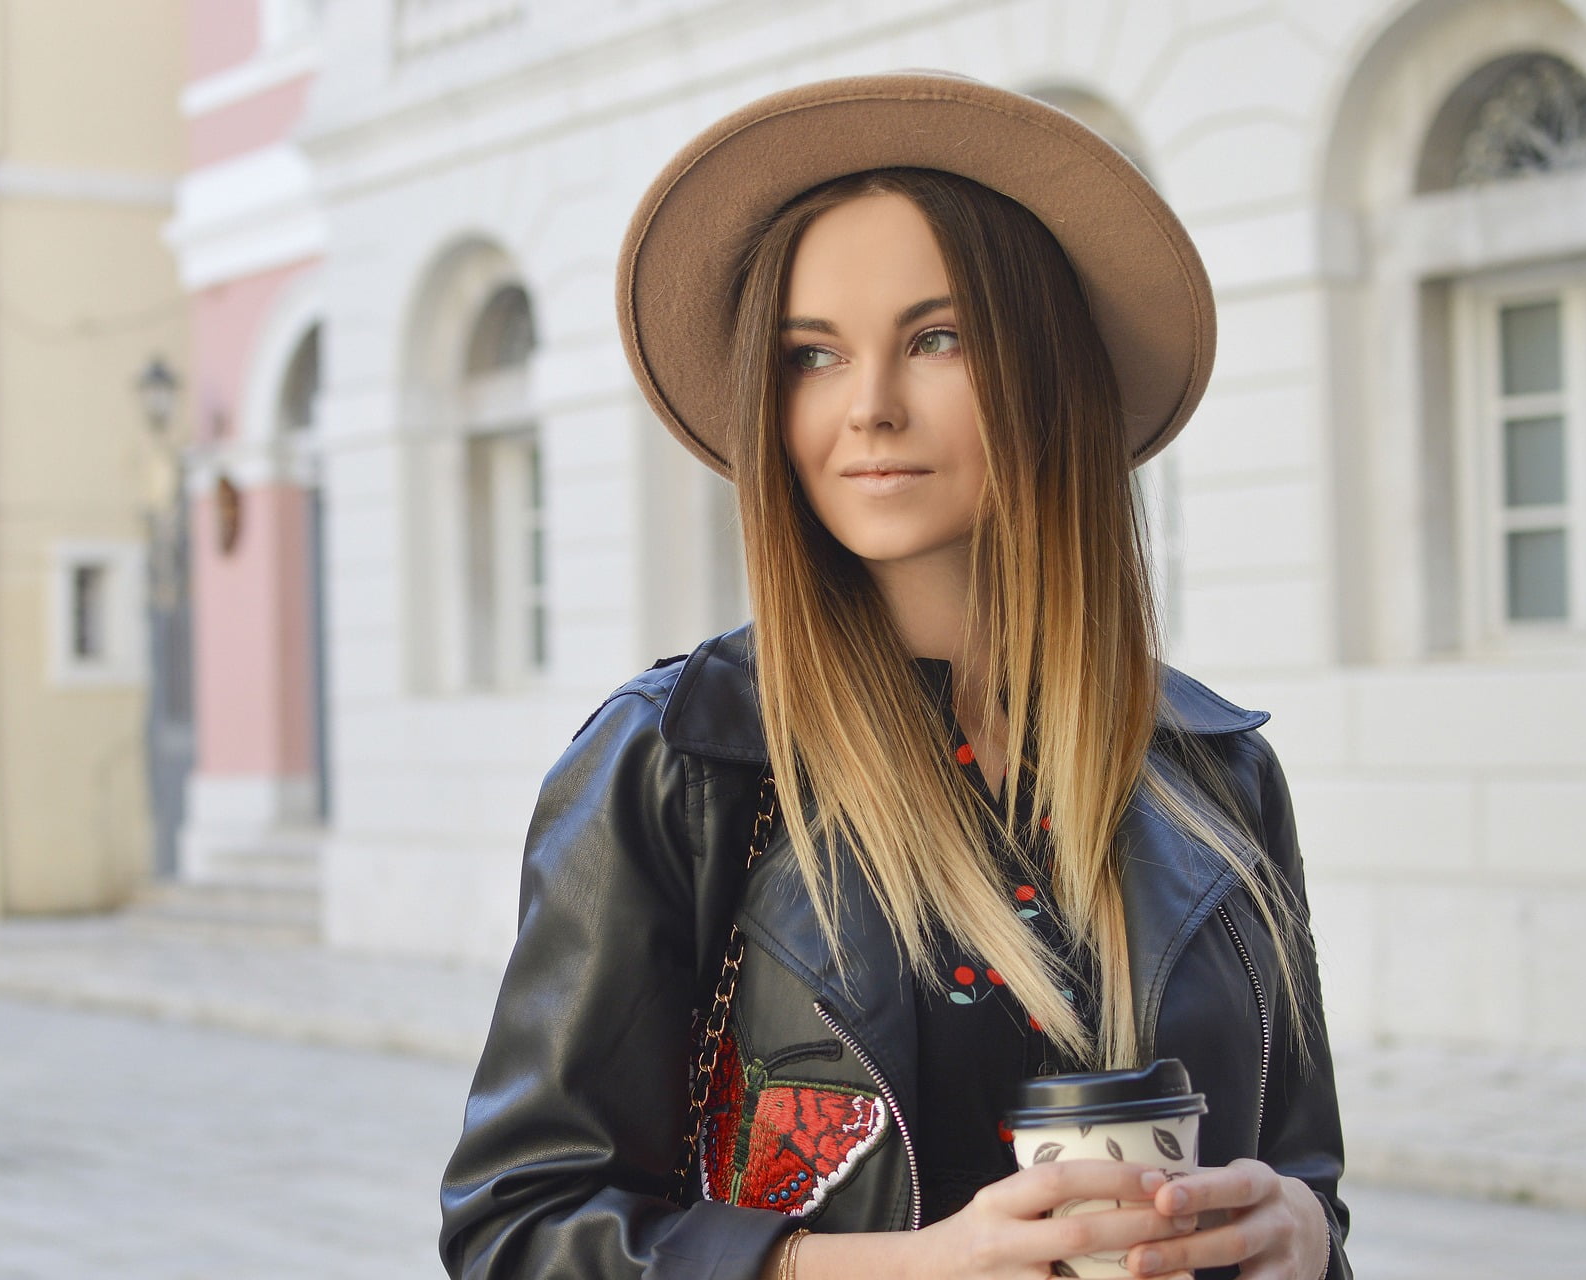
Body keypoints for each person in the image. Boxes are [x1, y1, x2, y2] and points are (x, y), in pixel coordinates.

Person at [441, 73, 1349, 1280]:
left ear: (1044, 370)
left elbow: (1309, 1181)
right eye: (812, 355)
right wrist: (892, 1267)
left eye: (937, 338)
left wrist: (1298, 1230)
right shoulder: (680, 762)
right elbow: (517, 1229)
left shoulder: (1217, 773)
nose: (867, 408)